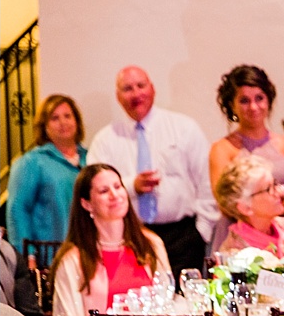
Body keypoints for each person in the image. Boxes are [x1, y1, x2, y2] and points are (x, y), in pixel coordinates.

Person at [86, 66, 216, 280]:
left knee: (185, 305)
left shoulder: (183, 128)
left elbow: (207, 182)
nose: (136, 94)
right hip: (130, 236)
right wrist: (131, 186)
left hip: (183, 237)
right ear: (118, 97)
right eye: (127, 88)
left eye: (141, 85)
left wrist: (202, 232)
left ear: (153, 89)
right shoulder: (105, 140)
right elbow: (94, 188)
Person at [50, 163, 172, 316]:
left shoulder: (151, 244)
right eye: (104, 191)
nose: (115, 195)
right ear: (87, 204)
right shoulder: (73, 259)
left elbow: (168, 304)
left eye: (118, 186)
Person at [210, 64, 284, 217]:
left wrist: (254, 201)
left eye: (259, 98)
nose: (253, 107)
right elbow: (227, 207)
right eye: (244, 100)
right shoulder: (222, 149)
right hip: (240, 235)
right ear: (232, 105)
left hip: (281, 234)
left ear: (268, 100)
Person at [7, 94, 87, 256]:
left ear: (77, 121)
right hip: (50, 255)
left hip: (89, 253)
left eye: (67, 116)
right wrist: (27, 254)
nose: (63, 123)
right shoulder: (31, 162)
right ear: (44, 126)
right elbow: (18, 210)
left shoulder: (91, 158)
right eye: (55, 118)